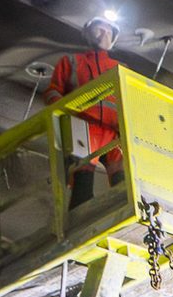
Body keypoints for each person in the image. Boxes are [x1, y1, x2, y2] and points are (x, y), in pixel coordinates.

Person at [44, 16, 124, 207]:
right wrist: (65, 119)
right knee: (83, 184)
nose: (104, 34)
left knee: (122, 186)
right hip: (84, 129)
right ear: (87, 34)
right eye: (99, 29)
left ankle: (122, 220)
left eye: (108, 31)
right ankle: (80, 216)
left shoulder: (120, 68)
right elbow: (52, 92)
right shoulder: (72, 62)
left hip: (114, 133)